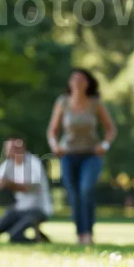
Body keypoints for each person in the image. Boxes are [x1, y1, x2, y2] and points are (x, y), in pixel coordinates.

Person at [46, 68, 117, 245]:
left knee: (86, 190)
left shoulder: (95, 103)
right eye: (74, 79)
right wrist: (55, 146)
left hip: (91, 155)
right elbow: (52, 131)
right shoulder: (63, 102)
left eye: (81, 79)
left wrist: (104, 145)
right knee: (74, 195)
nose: (77, 82)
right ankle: (80, 234)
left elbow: (110, 129)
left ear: (87, 83)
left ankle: (88, 233)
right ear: (70, 84)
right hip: (68, 155)